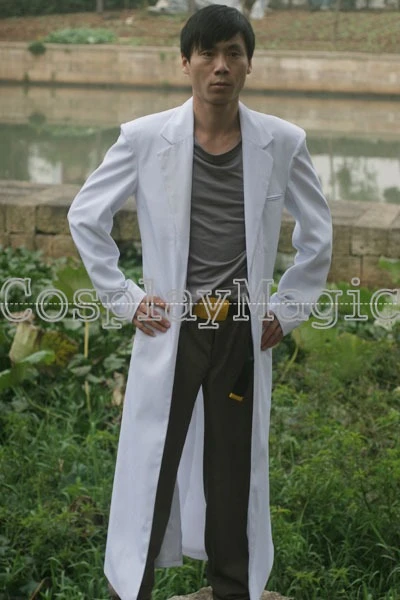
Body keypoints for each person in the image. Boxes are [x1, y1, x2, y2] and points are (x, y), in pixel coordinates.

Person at [67, 5, 332, 600]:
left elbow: (318, 235)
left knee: (233, 467)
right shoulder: (144, 138)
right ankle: (132, 588)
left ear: (249, 65)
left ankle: (231, 589)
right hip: (173, 328)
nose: (220, 67)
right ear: (185, 62)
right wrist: (126, 298)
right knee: (152, 463)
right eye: (207, 54)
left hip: (240, 332)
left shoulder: (282, 142)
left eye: (233, 53)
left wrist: (288, 308)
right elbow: (86, 216)